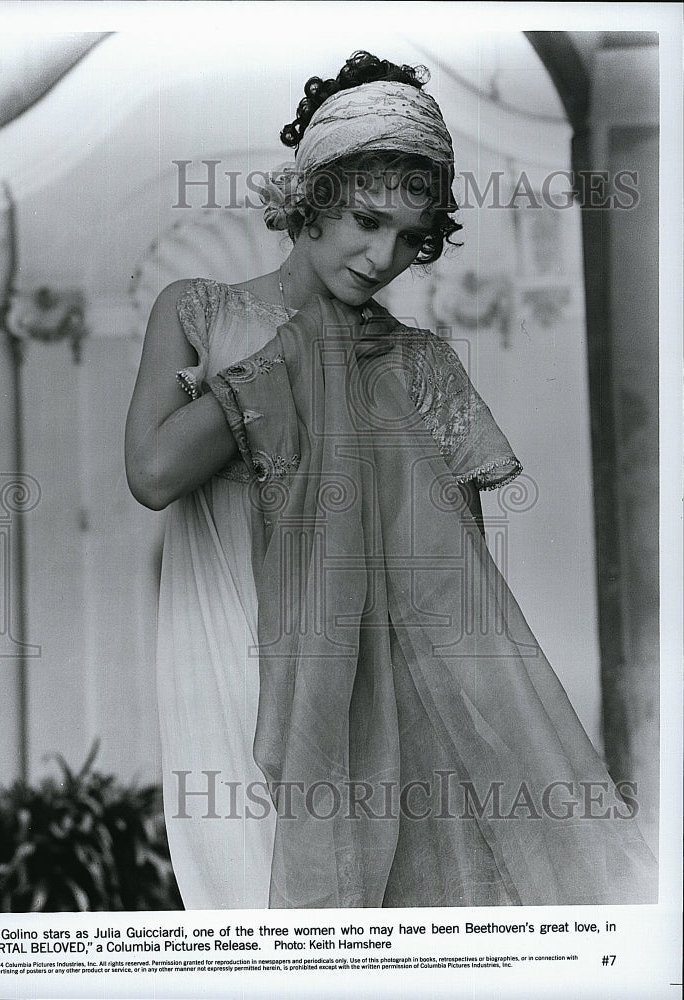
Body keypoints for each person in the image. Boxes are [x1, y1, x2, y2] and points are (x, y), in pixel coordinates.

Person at [125, 51, 657, 909]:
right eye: (366, 220)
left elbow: (460, 607)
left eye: (410, 237)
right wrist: (297, 357)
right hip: (222, 650)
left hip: (364, 698)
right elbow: (152, 476)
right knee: (240, 916)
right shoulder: (198, 311)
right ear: (312, 198)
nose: (383, 257)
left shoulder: (419, 365)